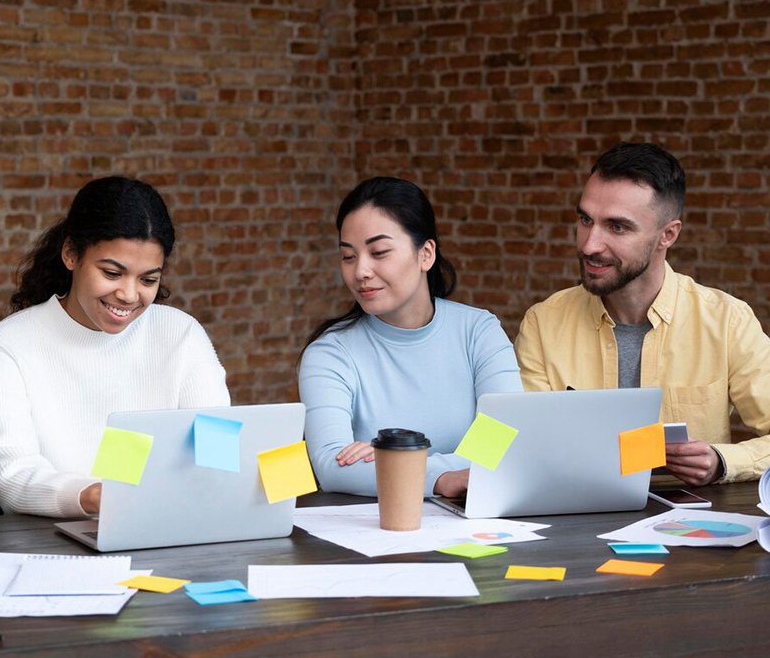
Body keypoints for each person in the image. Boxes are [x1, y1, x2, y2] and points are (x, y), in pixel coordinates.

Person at [0, 176, 230, 518]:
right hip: (49, 546)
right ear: (70, 255)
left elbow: (218, 453)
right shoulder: (7, 346)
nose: (128, 294)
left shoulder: (180, 334)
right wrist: (92, 496)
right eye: (112, 273)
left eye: (148, 279)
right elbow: (12, 476)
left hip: (166, 530)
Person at [514, 142, 770, 485]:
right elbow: (519, 438)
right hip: (575, 519)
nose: (590, 244)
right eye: (586, 219)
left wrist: (722, 460)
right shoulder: (543, 323)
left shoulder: (727, 322)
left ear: (668, 235)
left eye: (617, 227)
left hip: (688, 522)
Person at [298, 177, 522, 498]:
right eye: (348, 256)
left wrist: (393, 462)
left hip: (475, 526)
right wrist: (441, 479)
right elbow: (331, 467)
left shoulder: (479, 332)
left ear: (425, 254)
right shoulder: (330, 353)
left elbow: (501, 441)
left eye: (379, 252)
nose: (360, 270)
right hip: (375, 534)